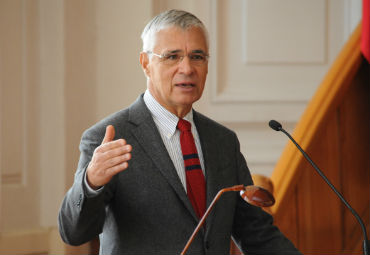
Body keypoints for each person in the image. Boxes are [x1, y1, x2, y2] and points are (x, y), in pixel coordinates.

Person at [58, 9, 302, 255]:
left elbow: (256, 234)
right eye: (172, 56)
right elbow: (73, 232)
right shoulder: (109, 137)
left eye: (197, 56)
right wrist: (90, 183)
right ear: (145, 63)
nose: (187, 68)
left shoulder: (223, 141)